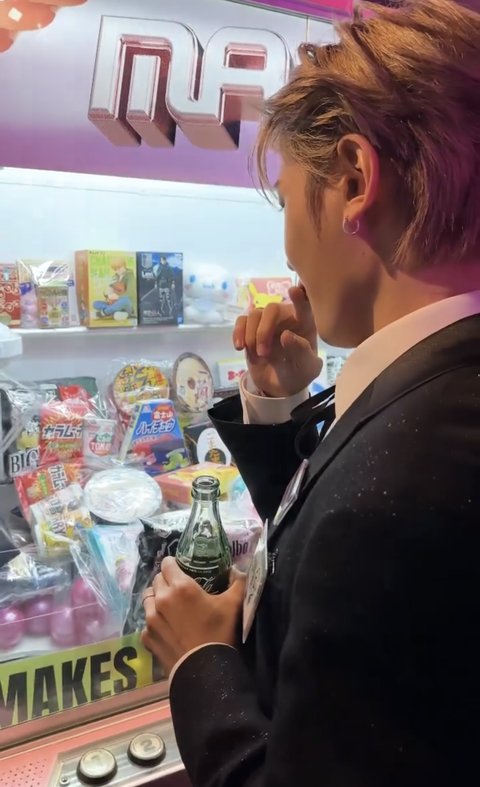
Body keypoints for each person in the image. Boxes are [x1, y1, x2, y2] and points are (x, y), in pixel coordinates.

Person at [141, 1, 480, 785]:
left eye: (290, 199)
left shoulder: (406, 487)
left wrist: (201, 659)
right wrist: (284, 407)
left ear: (355, 181)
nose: (289, 245)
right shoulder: (442, 395)